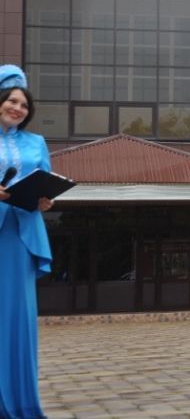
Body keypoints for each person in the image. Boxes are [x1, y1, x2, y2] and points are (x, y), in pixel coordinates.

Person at [0, 64, 56, 419]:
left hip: (20, 237)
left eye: (23, 104)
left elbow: (45, 182)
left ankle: (18, 402)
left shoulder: (37, 142)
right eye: (11, 100)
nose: (18, 108)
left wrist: (47, 200)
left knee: (18, 316)